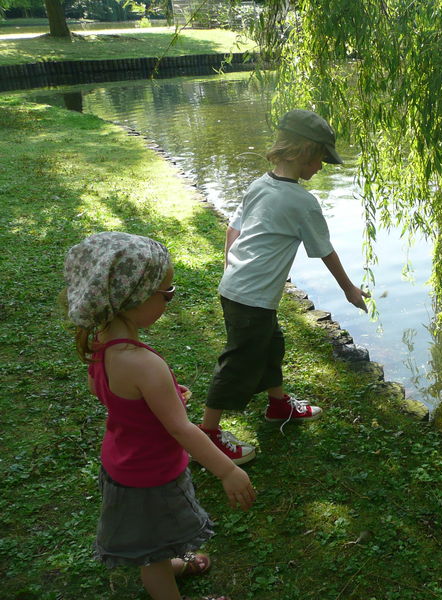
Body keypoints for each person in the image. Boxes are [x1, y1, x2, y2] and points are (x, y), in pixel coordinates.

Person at [63, 231, 256, 600]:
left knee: (155, 538)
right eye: (165, 293)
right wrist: (228, 471)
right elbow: (182, 430)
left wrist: (161, 397)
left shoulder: (102, 340)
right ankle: (164, 576)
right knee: (152, 557)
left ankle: (171, 563)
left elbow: (105, 392)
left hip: (123, 462)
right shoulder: (143, 363)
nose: (169, 300)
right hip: (150, 476)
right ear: (132, 297)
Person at [199, 109, 369, 464]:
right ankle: (207, 435)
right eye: (322, 158)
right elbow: (325, 251)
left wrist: (231, 266)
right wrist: (350, 290)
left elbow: (233, 230)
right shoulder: (302, 202)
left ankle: (278, 405)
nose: (322, 167)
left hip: (238, 287)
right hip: (253, 296)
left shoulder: (259, 184)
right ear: (306, 152)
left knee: (271, 345)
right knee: (239, 363)